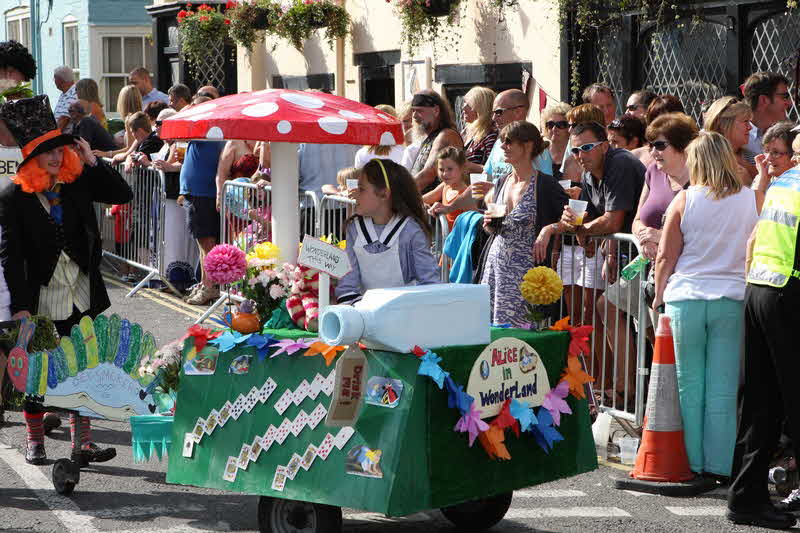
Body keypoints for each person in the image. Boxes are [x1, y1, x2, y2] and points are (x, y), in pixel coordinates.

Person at [0, 94, 133, 464]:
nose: (57, 157)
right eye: (48, 152)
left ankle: (82, 443)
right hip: (41, 295)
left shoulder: (77, 182)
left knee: (83, 366)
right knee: (37, 370)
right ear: (32, 157)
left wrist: (92, 161)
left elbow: (123, 194)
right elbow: (11, 257)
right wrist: (20, 307)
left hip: (81, 292)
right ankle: (35, 441)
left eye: (60, 149)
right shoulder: (13, 196)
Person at [652, 131, 758, 483]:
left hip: (687, 297)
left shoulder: (685, 199)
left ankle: (692, 461)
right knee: (723, 388)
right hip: (732, 298)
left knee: (689, 385)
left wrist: (658, 294)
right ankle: (720, 464)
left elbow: (666, 256)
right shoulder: (752, 199)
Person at [598, 112, 699, 411]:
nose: (652, 151)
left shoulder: (700, 176)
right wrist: (643, 236)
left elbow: (700, 228)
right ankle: (630, 389)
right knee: (608, 303)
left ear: (682, 146)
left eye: (660, 145)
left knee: (668, 337)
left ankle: (669, 407)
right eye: (651, 144)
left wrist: (662, 237)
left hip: (680, 270)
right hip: (647, 264)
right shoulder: (653, 172)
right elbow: (637, 219)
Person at [727, 138, 800, 531]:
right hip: (788, 295)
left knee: (760, 403)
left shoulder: (785, 182)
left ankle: (746, 498)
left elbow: (754, 240)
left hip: (760, 290)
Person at [557, 121, 646, 385]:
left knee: (636, 319)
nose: (580, 155)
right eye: (575, 150)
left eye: (586, 148)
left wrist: (584, 231)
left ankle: (628, 389)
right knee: (612, 309)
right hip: (630, 255)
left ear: (605, 146)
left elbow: (612, 221)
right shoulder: (587, 175)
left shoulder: (619, 163)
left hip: (649, 253)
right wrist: (574, 223)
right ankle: (626, 388)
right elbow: (593, 224)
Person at [480, 121, 568, 326]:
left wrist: (549, 229)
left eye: (509, 141)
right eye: (502, 141)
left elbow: (571, 219)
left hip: (526, 275)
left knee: (522, 337)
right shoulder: (502, 181)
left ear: (528, 145)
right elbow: (493, 228)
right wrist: (488, 223)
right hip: (495, 270)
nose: (503, 146)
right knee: (492, 334)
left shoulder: (545, 184)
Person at [335, 159, 440, 305]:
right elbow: (347, 285)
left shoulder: (410, 230)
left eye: (361, 189)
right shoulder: (354, 229)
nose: (354, 194)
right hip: (366, 311)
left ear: (384, 194)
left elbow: (429, 282)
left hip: (405, 310)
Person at [179, 138, 225, 305]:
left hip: (203, 194)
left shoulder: (209, 133)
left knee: (207, 244)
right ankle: (205, 283)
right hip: (198, 193)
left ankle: (209, 286)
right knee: (203, 245)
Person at [408, 89, 464, 193]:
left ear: (436, 110)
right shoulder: (431, 136)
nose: (414, 116)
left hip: (437, 202)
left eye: (419, 111)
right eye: (413, 111)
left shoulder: (445, 135)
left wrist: (400, 194)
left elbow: (428, 175)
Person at [703, 96, 757, 186]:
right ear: (723, 124)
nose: (750, 127)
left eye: (749, 122)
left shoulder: (754, 159)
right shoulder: (702, 157)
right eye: (745, 121)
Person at [742, 71, 792, 165]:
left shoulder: (790, 134)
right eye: (784, 97)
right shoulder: (737, 137)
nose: (789, 103)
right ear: (763, 100)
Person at [423, 146, 471, 229]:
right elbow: (424, 199)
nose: (445, 174)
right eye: (441, 170)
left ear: (462, 168)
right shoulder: (445, 186)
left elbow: (472, 226)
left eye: (450, 169)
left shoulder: (466, 194)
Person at [634, 94, 685, 167]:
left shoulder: (692, 151)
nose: (660, 125)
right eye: (655, 119)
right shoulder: (637, 156)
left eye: (666, 120)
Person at [94, 85, 142, 159]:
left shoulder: (130, 119)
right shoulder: (141, 116)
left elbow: (129, 149)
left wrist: (106, 154)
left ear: (122, 102)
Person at [751, 121, 798, 193]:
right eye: (766, 150)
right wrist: (762, 181)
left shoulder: (796, 186)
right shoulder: (761, 178)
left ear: (793, 155)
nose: (768, 158)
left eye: (776, 153)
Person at [461, 86, 498, 166]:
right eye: (464, 102)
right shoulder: (465, 132)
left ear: (482, 109)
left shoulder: (491, 135)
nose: (463, 108)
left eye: (470, 105)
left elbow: (494, 169)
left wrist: (468, 167)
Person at [540, 103, 572, 180]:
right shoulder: (539, 153)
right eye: (550, 125)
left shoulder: (576, 152)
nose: (554, 129)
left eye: (561, 125)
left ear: (569, 127)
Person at [52, 66, 77, 132]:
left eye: (54, 79)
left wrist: (51, 136)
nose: (54, 81)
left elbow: (64, 119)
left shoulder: (74, 93)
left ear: (60, 80)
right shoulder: (65, 93)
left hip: (65, 137)